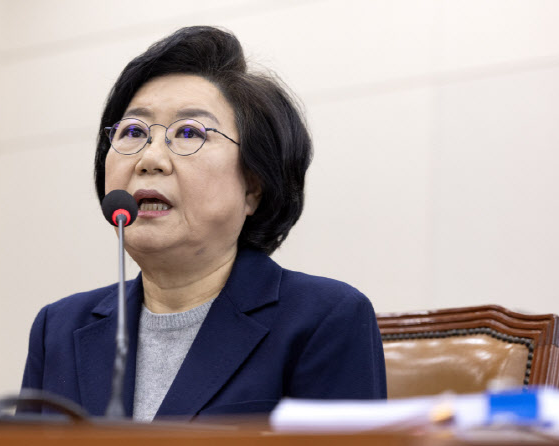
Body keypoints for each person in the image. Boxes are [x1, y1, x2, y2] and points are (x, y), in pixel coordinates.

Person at [21, 26, 386, 422]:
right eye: (133, 132)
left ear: (253, 186)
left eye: (188, 132)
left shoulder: (324, 318)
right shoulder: (58, 328)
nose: (150, 159)